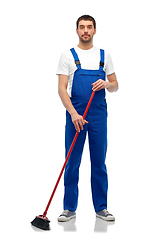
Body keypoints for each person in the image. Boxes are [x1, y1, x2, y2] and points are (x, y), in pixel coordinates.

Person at [56, 15, 118, 222]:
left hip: (99, 115)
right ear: (77, 31)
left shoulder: (104, 55)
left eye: (89, 27)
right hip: (76, 114)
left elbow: (115, 85)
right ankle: (68, 208)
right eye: (82, 27)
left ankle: (101, 208)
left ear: (94, 30)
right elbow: (61, 89)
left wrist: (107, 84)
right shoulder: (67, 56)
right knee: (72, 162)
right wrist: (74, 114)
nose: (85, 30)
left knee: (99, 162)